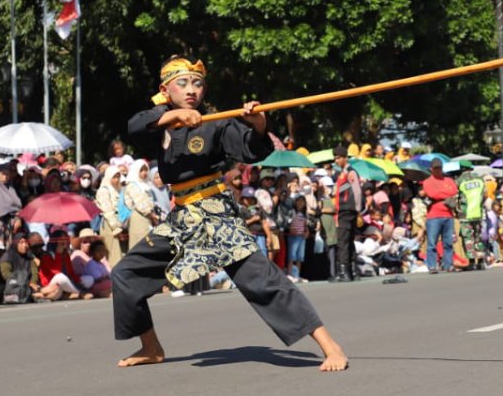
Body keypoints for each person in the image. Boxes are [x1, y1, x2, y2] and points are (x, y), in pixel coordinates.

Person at [114, 56, 347, 371]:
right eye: (182, 84)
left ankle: (330, 346)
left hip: (215, 213)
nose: (192, 89)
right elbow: (135, 125)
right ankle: (151, 347)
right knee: (126, 274)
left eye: (197, 83)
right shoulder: (159, 122)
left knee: (261, 280)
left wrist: (259, 123)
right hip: (182, 217)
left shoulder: (217, 122)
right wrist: (176, 115)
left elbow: (252, 148)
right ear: (165, 90)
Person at [421, 158, 458, 273]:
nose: (438, 170)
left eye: (439, 168)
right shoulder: (427, 182)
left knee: (448, 243)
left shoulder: (448, 180)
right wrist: (444, 194)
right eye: (435, 168)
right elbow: (432, 193)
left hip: (448, 215)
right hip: (434, 216)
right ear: (431, 169)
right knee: (432, 243)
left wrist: (440, 194)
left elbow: (454, 191)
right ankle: (432, 266)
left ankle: (448, 265)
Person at [332, 145, 363, 282]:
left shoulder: (350, 172)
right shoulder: (342, 174)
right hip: (344, 210)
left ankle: (344, 272)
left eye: (338, 158)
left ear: (345, 157)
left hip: (347, 210)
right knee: (348, 241)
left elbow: (357, 192)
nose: (336, 161)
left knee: (343, 241)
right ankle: (353, 271)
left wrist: (358, 210)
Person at [124, 159, 159, 250]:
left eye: (146, 170)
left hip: (148, 217)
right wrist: (153, 216)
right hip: (138, 217)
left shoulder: (146, 184)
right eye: (141, 170)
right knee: (139, 244)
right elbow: (140, 203)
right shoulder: (132, 185)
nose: (144, 173)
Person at [96, 165, 127, 266]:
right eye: (114, 177)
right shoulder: (104, 191)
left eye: (118, 177)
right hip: (110, 226)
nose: (117, 180)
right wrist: (116, 229)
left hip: (121, 224)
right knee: (113, 255)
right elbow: (107, 211)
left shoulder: (119, 190)